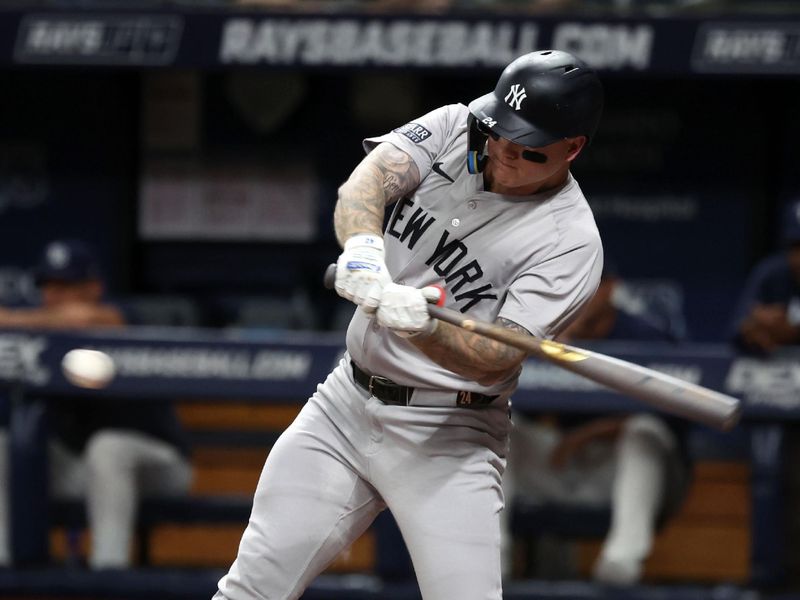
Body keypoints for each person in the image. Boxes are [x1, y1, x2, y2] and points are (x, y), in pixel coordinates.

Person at [214, 49, 604, 600]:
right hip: (343, 408)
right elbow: (365, 185)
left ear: (572, 148)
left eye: (527, 151)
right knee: (252, 587)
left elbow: (498, 358)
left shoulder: (571, 242)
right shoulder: (453, 126)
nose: (503, 156)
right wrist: (365, 251)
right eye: (498, 136)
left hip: (449, 436)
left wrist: (421, 326)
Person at [0, 239, 192, 569]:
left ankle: (108, 572)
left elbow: (84, 319)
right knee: (4, 446)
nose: (55, 296)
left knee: (108, 447)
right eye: (48, 286)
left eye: (67, 285)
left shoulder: (119, 317)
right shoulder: (37, 339)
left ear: (94, 287)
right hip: (84, 468)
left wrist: (14, 321)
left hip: (160, 463)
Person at [501, 265, 690, 585]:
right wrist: (552, 351)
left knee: (645, 432)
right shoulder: (546, 331)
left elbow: (673, 416)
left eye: (587, 284)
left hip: (616, 473)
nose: (577, 293)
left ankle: (621, 562)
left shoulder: (645, 335)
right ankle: (494, 558)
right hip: (561, 465)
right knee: (502, 425)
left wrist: (589, 434)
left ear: (610, 288)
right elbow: (511, 399)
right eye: (569, 284)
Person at [731, 198, 800, 354]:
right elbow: (737, 329)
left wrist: (794, 332)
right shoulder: (771, 273)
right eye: (795, 247)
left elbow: (791, 331)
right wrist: (753, 329)